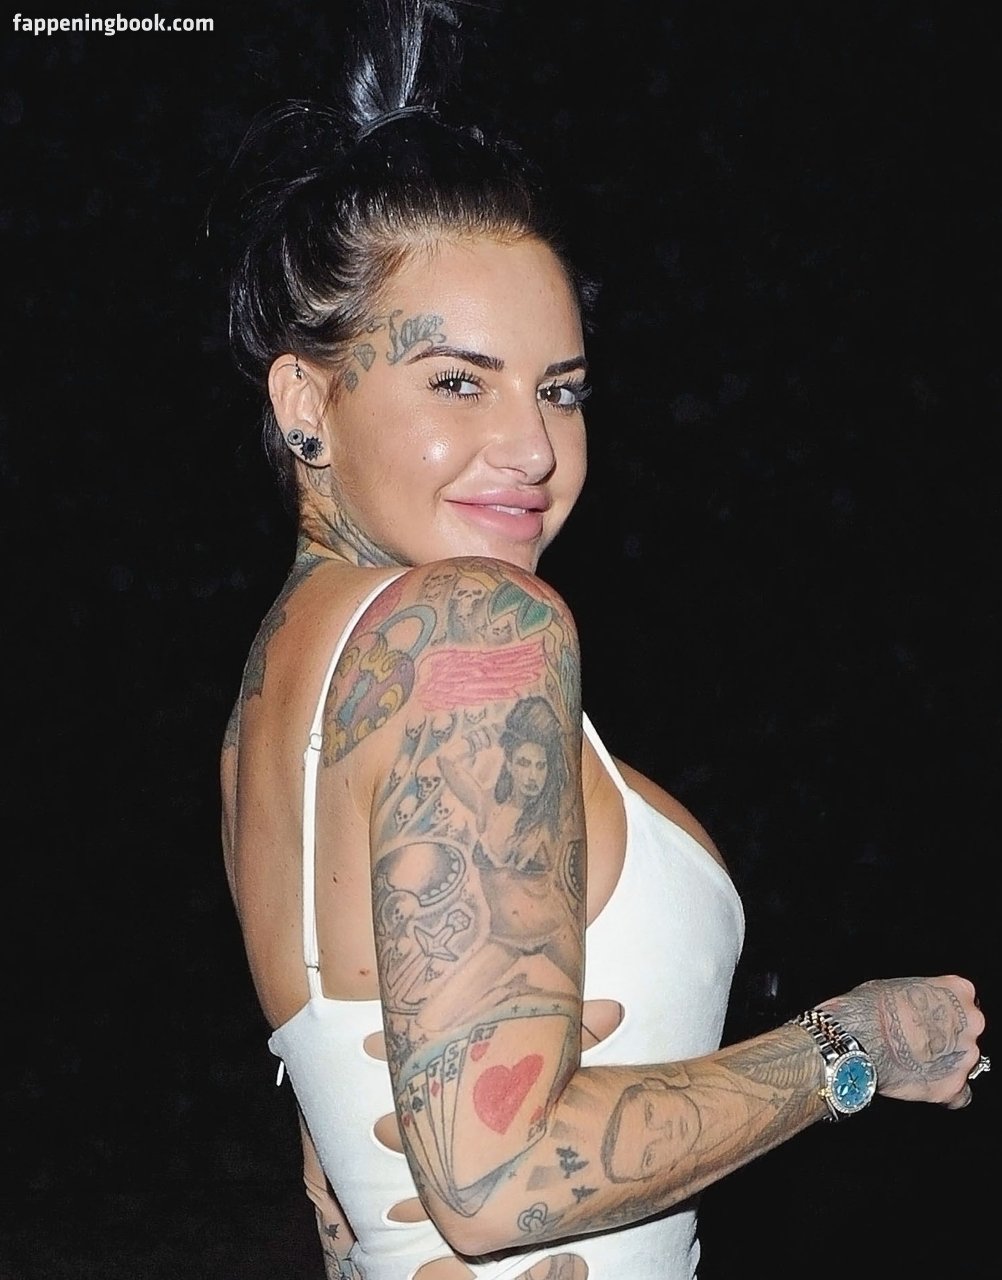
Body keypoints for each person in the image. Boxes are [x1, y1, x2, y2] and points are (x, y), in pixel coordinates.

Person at [218, 3, 988, 1278]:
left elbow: (354, 1168)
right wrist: (855, 1045)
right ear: (307, 400)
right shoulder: (478, 625)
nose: (533, 447)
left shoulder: (270, 697)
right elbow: (495, 1180)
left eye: (560, 389)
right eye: (458, 380)